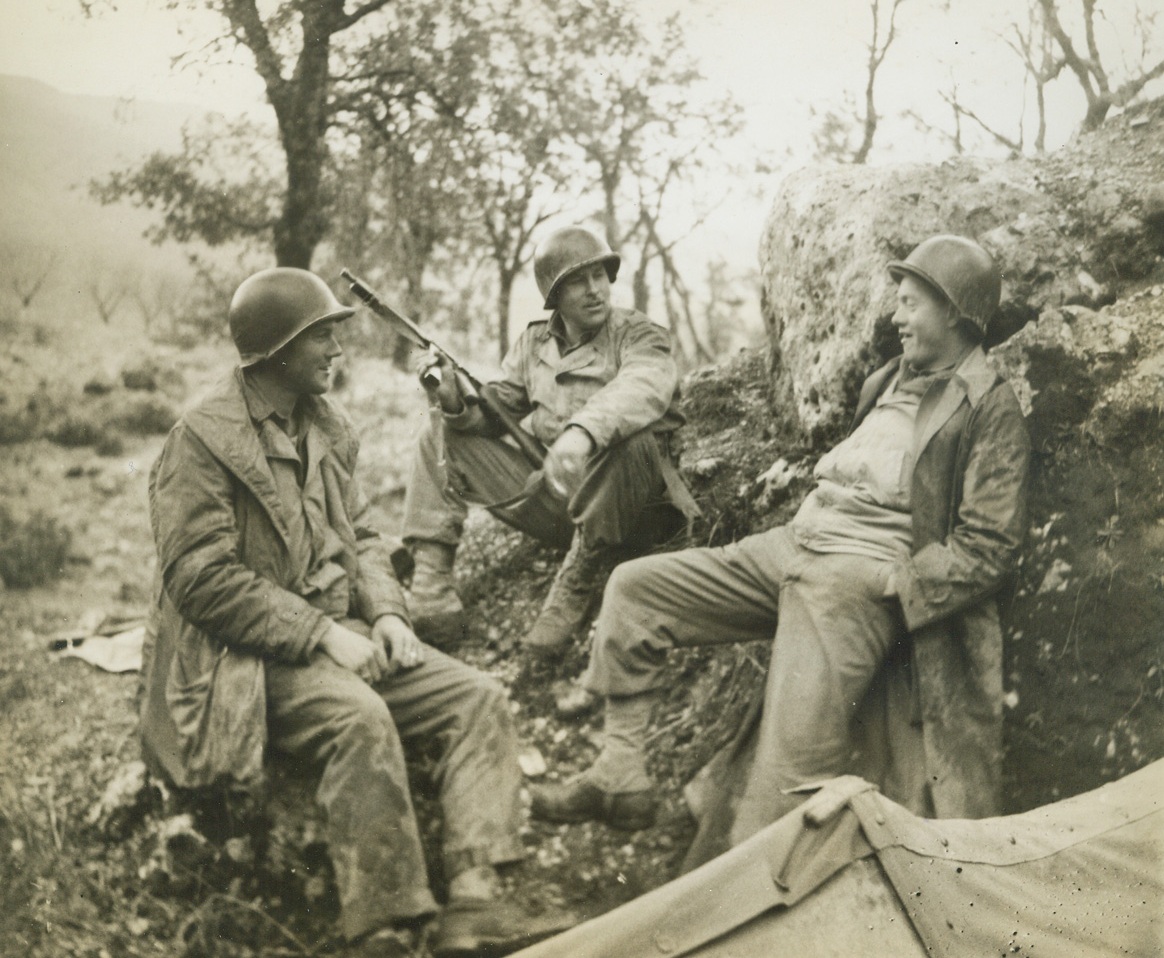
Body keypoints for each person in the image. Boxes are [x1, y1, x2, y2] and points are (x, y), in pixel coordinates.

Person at [530, 235, 1031, 840]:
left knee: (783, 782)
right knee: (635, 590)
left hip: (857, 577)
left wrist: (898, 581)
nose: (895, 316)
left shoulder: (988, 405)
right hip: (796, 544)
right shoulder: (887, 382)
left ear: (954, 311)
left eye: (909, 303)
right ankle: (619, 774)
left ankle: (755, 908)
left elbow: (991, 546)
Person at [139, 268, 567, 957]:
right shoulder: (202, 438)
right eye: (325, 338)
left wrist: (390, 614)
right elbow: (200, 579)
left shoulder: (328, 426)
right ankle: (385, 925)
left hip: (341, 633)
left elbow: (363, 536)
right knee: (360, 719)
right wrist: (320, 634)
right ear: (278, 349)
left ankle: (474, 901)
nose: (339, 351)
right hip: (247, 658)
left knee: (477, 697)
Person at [402, 225, 698, 653]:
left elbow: (645, 384)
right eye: (578, 281)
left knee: (634, 439)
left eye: (600, 275)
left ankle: (579, 577)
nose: (595, 290)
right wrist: (452, 398)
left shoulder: (638, 333)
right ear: (554, 294)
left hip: (636, 508)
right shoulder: (533, 343)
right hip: (559, 502)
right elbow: (498, 411)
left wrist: (582, 433)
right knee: (438, 435)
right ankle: (431, 585)